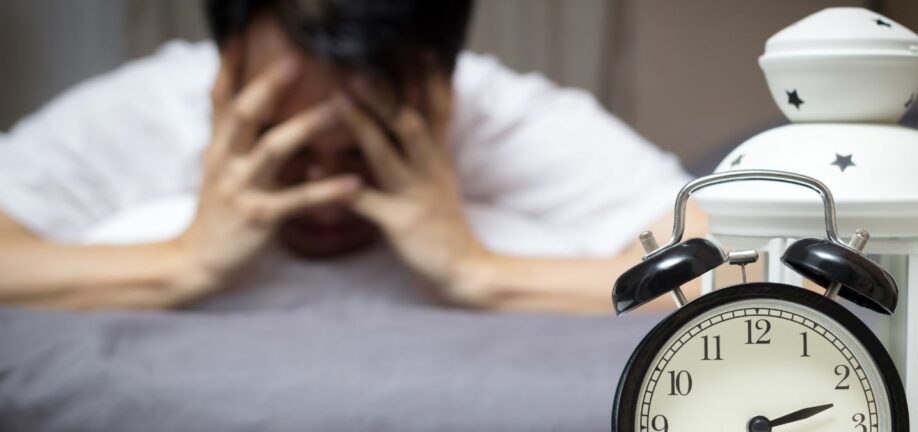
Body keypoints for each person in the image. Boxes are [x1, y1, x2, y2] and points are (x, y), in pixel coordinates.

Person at [0, 0, 704, 313]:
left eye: (372, 146)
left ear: (442, 88)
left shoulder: (502, 114)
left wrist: (478, 270)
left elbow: (737, 269)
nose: (327, 192)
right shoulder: (156, 104)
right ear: (227, 73)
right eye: (286, 143)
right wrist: (180, 262)